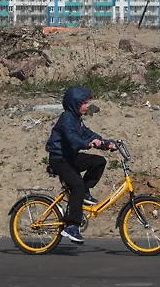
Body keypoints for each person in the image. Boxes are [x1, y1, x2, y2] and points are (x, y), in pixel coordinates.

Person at [44, 85, 116, 244]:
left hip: (70, 157)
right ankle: (71, 226)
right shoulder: (66, 119)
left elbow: (88, 134)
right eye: (84, 103)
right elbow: (73, 138)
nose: (87, 106)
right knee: (76, 185)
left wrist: (105, 143)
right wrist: (87, 143)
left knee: (98, 161)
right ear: (75, 103)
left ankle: (84, 192)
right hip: (59, 159)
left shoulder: (77, 119)